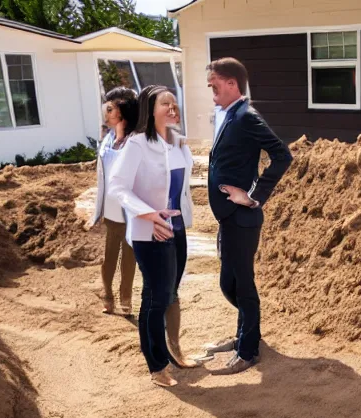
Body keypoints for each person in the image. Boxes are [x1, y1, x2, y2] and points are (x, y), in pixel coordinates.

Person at [204, 57, 293, 375]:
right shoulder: (228, 115)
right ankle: (246, 333)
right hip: (228, 218)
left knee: (241, 285)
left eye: (213, 81)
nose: (209, 86)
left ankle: (248, 350)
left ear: (232, 83)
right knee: (229, 283)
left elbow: (283, 156)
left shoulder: (246, 116)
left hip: (242, 218)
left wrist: (253, 197)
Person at [109, 85, 198, 387]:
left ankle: (175, 351)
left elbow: (183, 186)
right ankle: (157, 365)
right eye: (165, 104)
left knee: (171, 293)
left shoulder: (178, 142)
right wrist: (148, 214)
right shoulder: (136, 144)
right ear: (150, 109)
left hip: (178, 227)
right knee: (155, 297)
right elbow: (118, 187)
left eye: (175, 103)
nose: (173, 108)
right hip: (151, 231)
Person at [91, 87, 138, 316]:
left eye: (111, 108)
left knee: (130, 257)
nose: (106, 112)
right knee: (109, 257)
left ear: (123, 110)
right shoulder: (108, 139)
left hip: (132, 208)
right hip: (111, 209)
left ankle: (126, 298)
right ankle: (108, 295)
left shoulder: (137, 139)